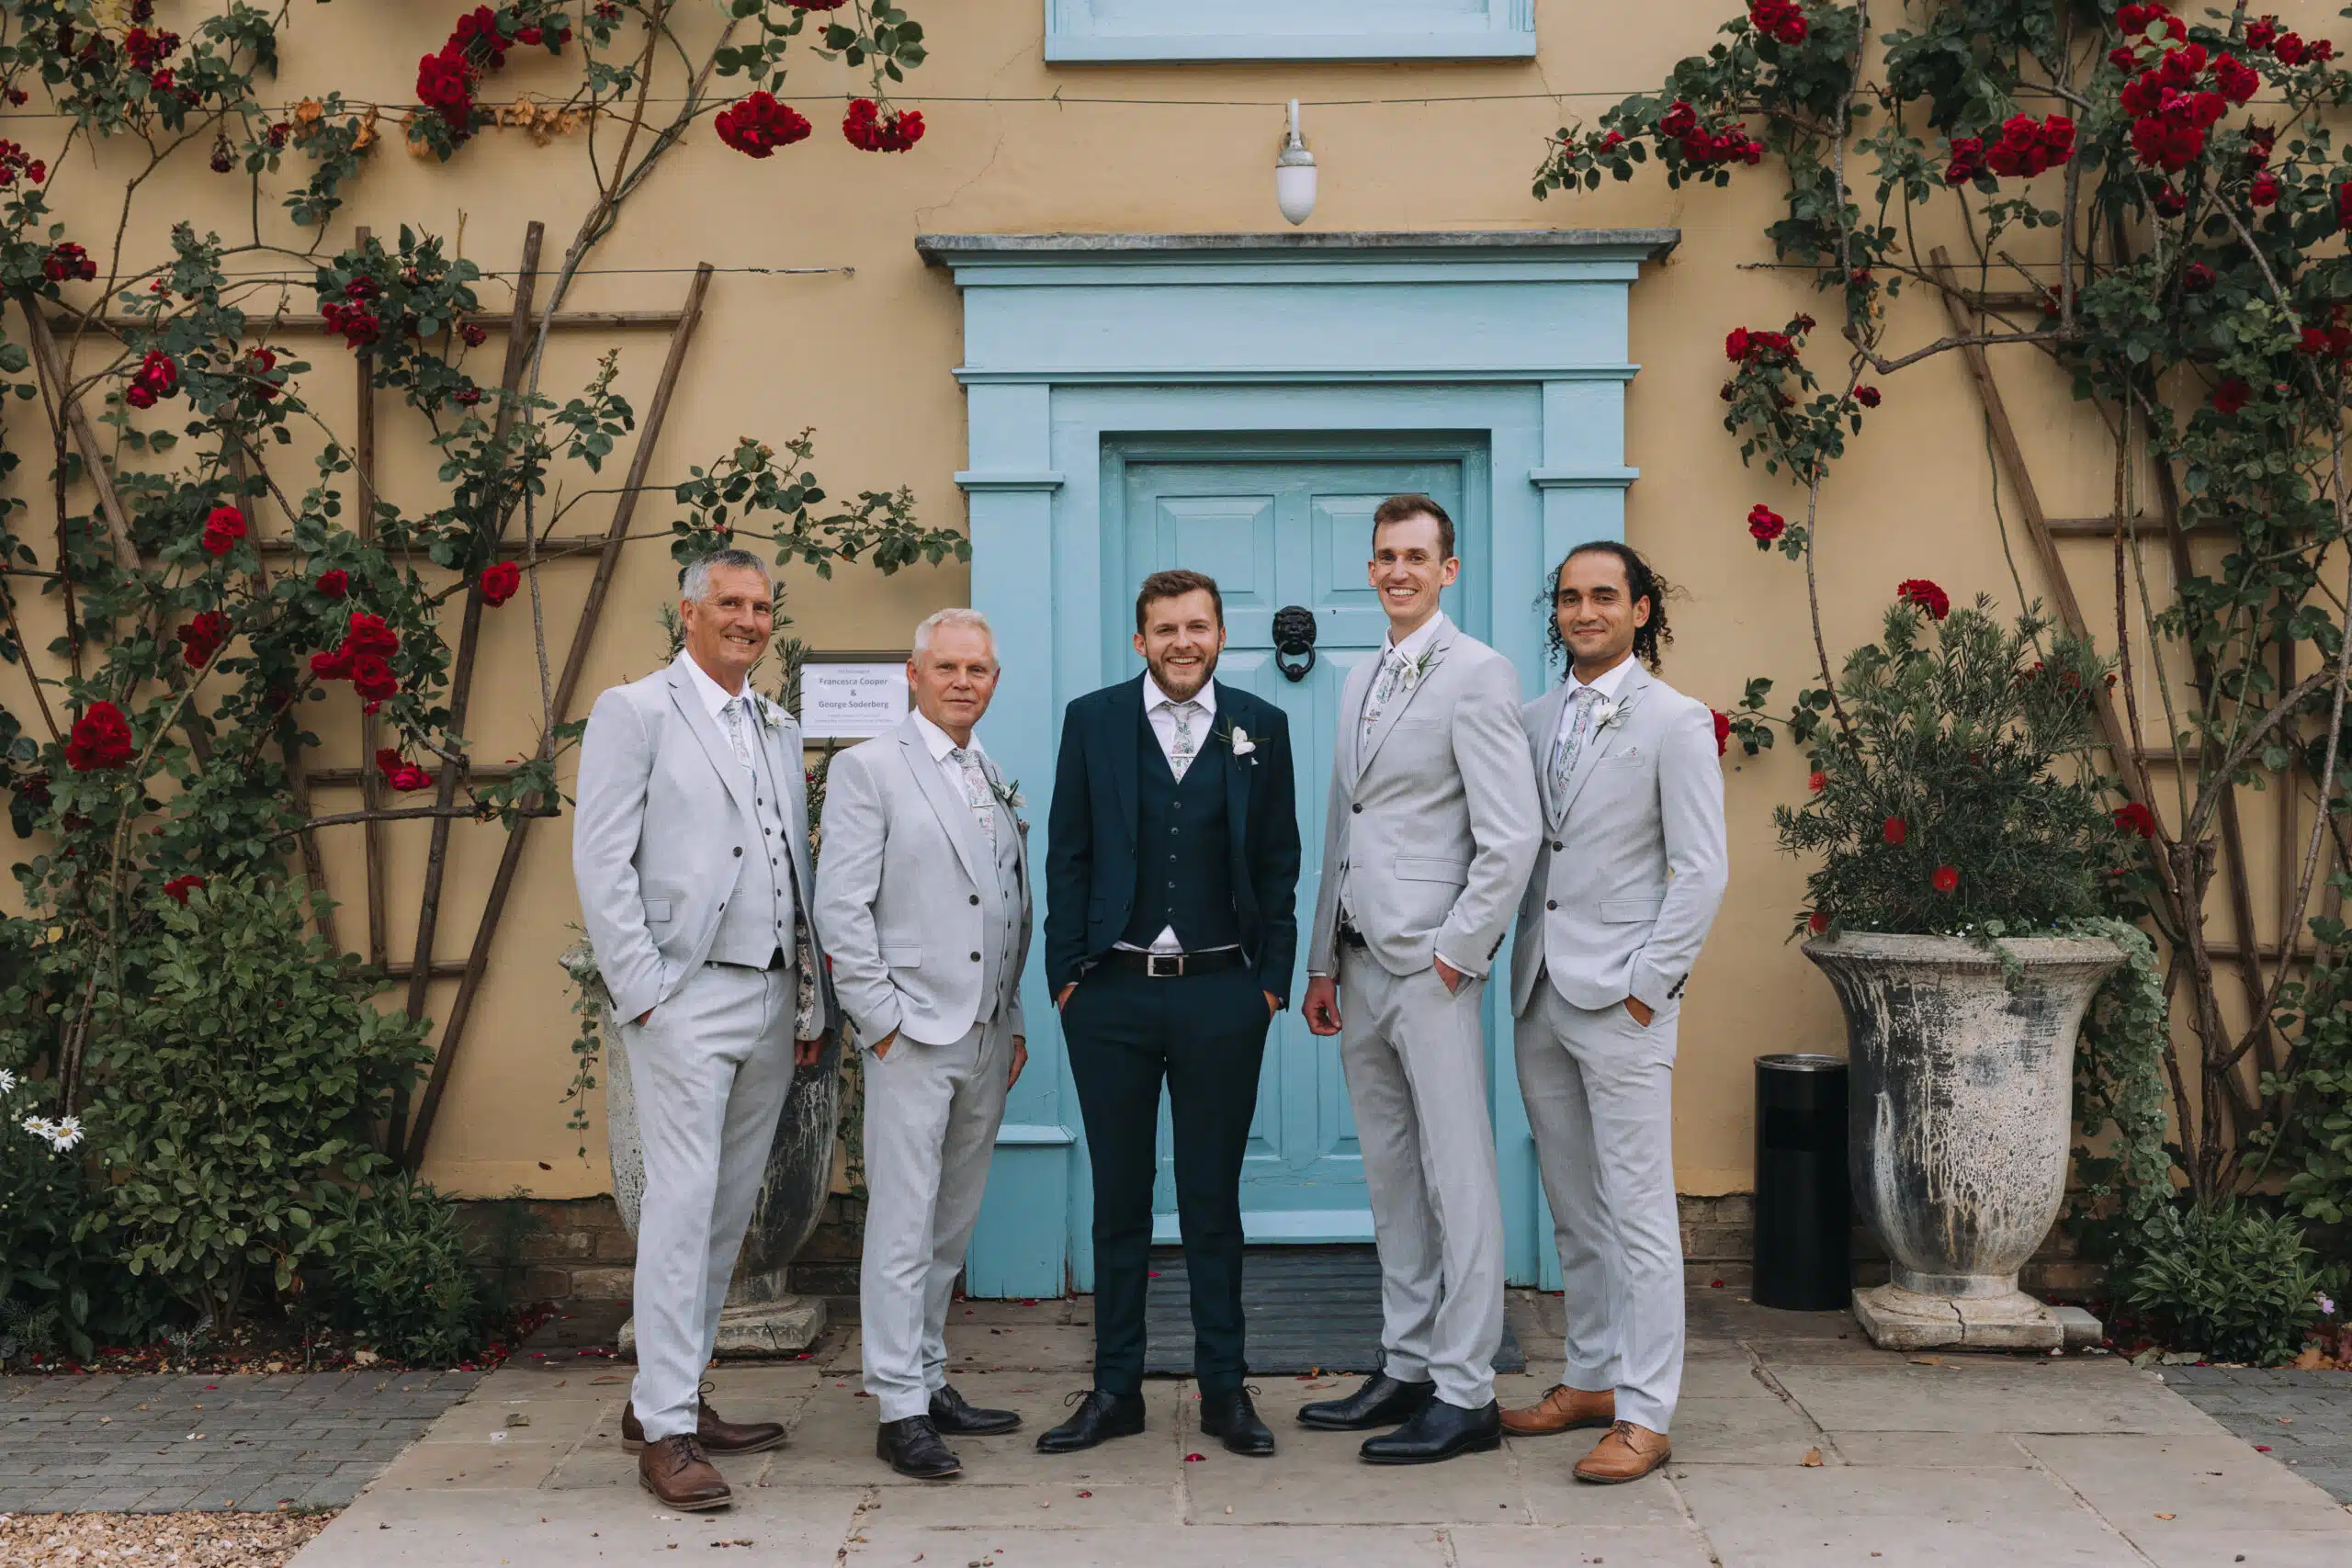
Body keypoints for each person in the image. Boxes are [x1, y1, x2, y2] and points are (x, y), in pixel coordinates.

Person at [571, 547, 832, 1511]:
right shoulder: (634, 711)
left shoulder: (777, 724)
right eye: (730, 603)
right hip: (684, 996)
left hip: (771, 997)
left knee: (726, 1211)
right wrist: (645, 993)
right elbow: (602, 861)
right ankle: (666, 1431)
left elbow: (793, 867)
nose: (748, 620)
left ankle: (671, 1391)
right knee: (682, 1205)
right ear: (688, 613)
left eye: (761, 606)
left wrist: (807, 997)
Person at [1297, 495, 1540, 1464]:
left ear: (1448, 569)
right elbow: (1345, 822)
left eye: (1415, 556)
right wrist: (1321, 957)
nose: (1397, 571)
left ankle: (1466, 1388)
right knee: (1391, 1174)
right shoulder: (1360, 676)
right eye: (1384, 557)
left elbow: (1510, 833)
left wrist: (1456, 952)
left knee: (1457, 1176)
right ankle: (1405, 1363)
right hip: (1358, 964)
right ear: (1371, 570)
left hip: (1432, 967)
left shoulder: (1479, 673)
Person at [1039, 569, 1301, 1458]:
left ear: (1220, 635)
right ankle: (1116, 1389)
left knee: (1210, 1200)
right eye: (1165, 629)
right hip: (1109, 991)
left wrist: (1269, 984)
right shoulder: (1093, 720)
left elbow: (1278, 862)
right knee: (1119, 1199)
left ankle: (1225, 1388)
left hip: (1222, 992)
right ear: (1140, 640)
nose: (1182, 642)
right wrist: (1066, 977)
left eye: (1196, 627)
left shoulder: (1262, 725)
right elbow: (1068, 854)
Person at [1500, 541, 1727, 1484]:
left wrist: (1649, 984)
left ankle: (1645, 1412)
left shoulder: (1676, 721)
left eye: (1603, 595)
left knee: (1637, 1211)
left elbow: (1701, 869)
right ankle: (1591, 1379)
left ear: (1640, 610)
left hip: (1623, 1000)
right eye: (1569, 598)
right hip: (1538, 991)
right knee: (1574, 1207)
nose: (1583, 611)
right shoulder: (1530, 719)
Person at [816, 608, 1035, 1481]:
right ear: (913, 674)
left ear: (994, 681)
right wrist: (882, 1023)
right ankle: (898, 1406)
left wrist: (1013, 1018)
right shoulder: (869, 767)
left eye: (977, 669)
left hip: (986, 1031)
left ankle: (931, 1375)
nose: (962, 682)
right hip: (911, 1031)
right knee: (903, 1223)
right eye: (946, 667)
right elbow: (841, 907)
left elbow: (1006, 905)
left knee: (951, 1221)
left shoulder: (990, 770)